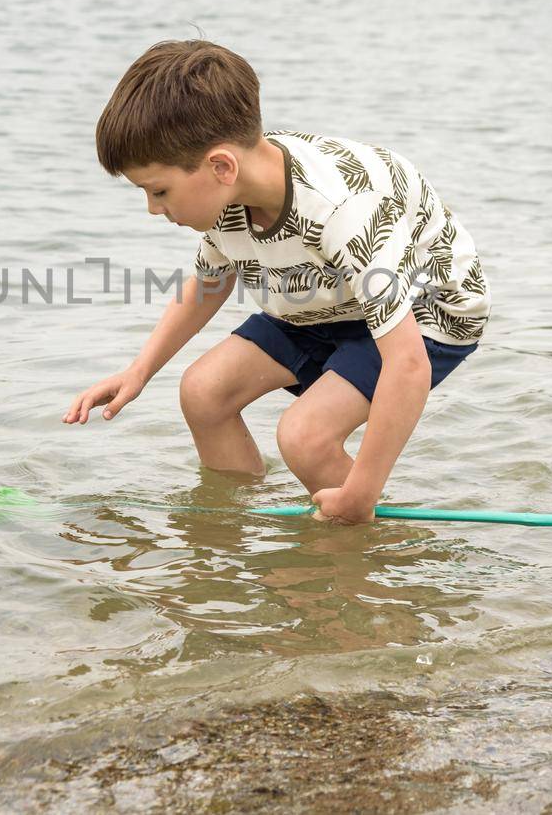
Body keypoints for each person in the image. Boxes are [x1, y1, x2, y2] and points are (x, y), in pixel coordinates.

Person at [63, 41, 490, 526]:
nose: (153, 209)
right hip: (322, 301)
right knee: (203, 392)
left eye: (159, 191)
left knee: (305, 436)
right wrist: (138, 372)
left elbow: (408, 364)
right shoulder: (228, 193)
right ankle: (230, 535)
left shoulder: (341, 212)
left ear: (221, 167)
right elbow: (209, 283)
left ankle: (363, 549)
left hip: (426, 314)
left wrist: (360, 492)